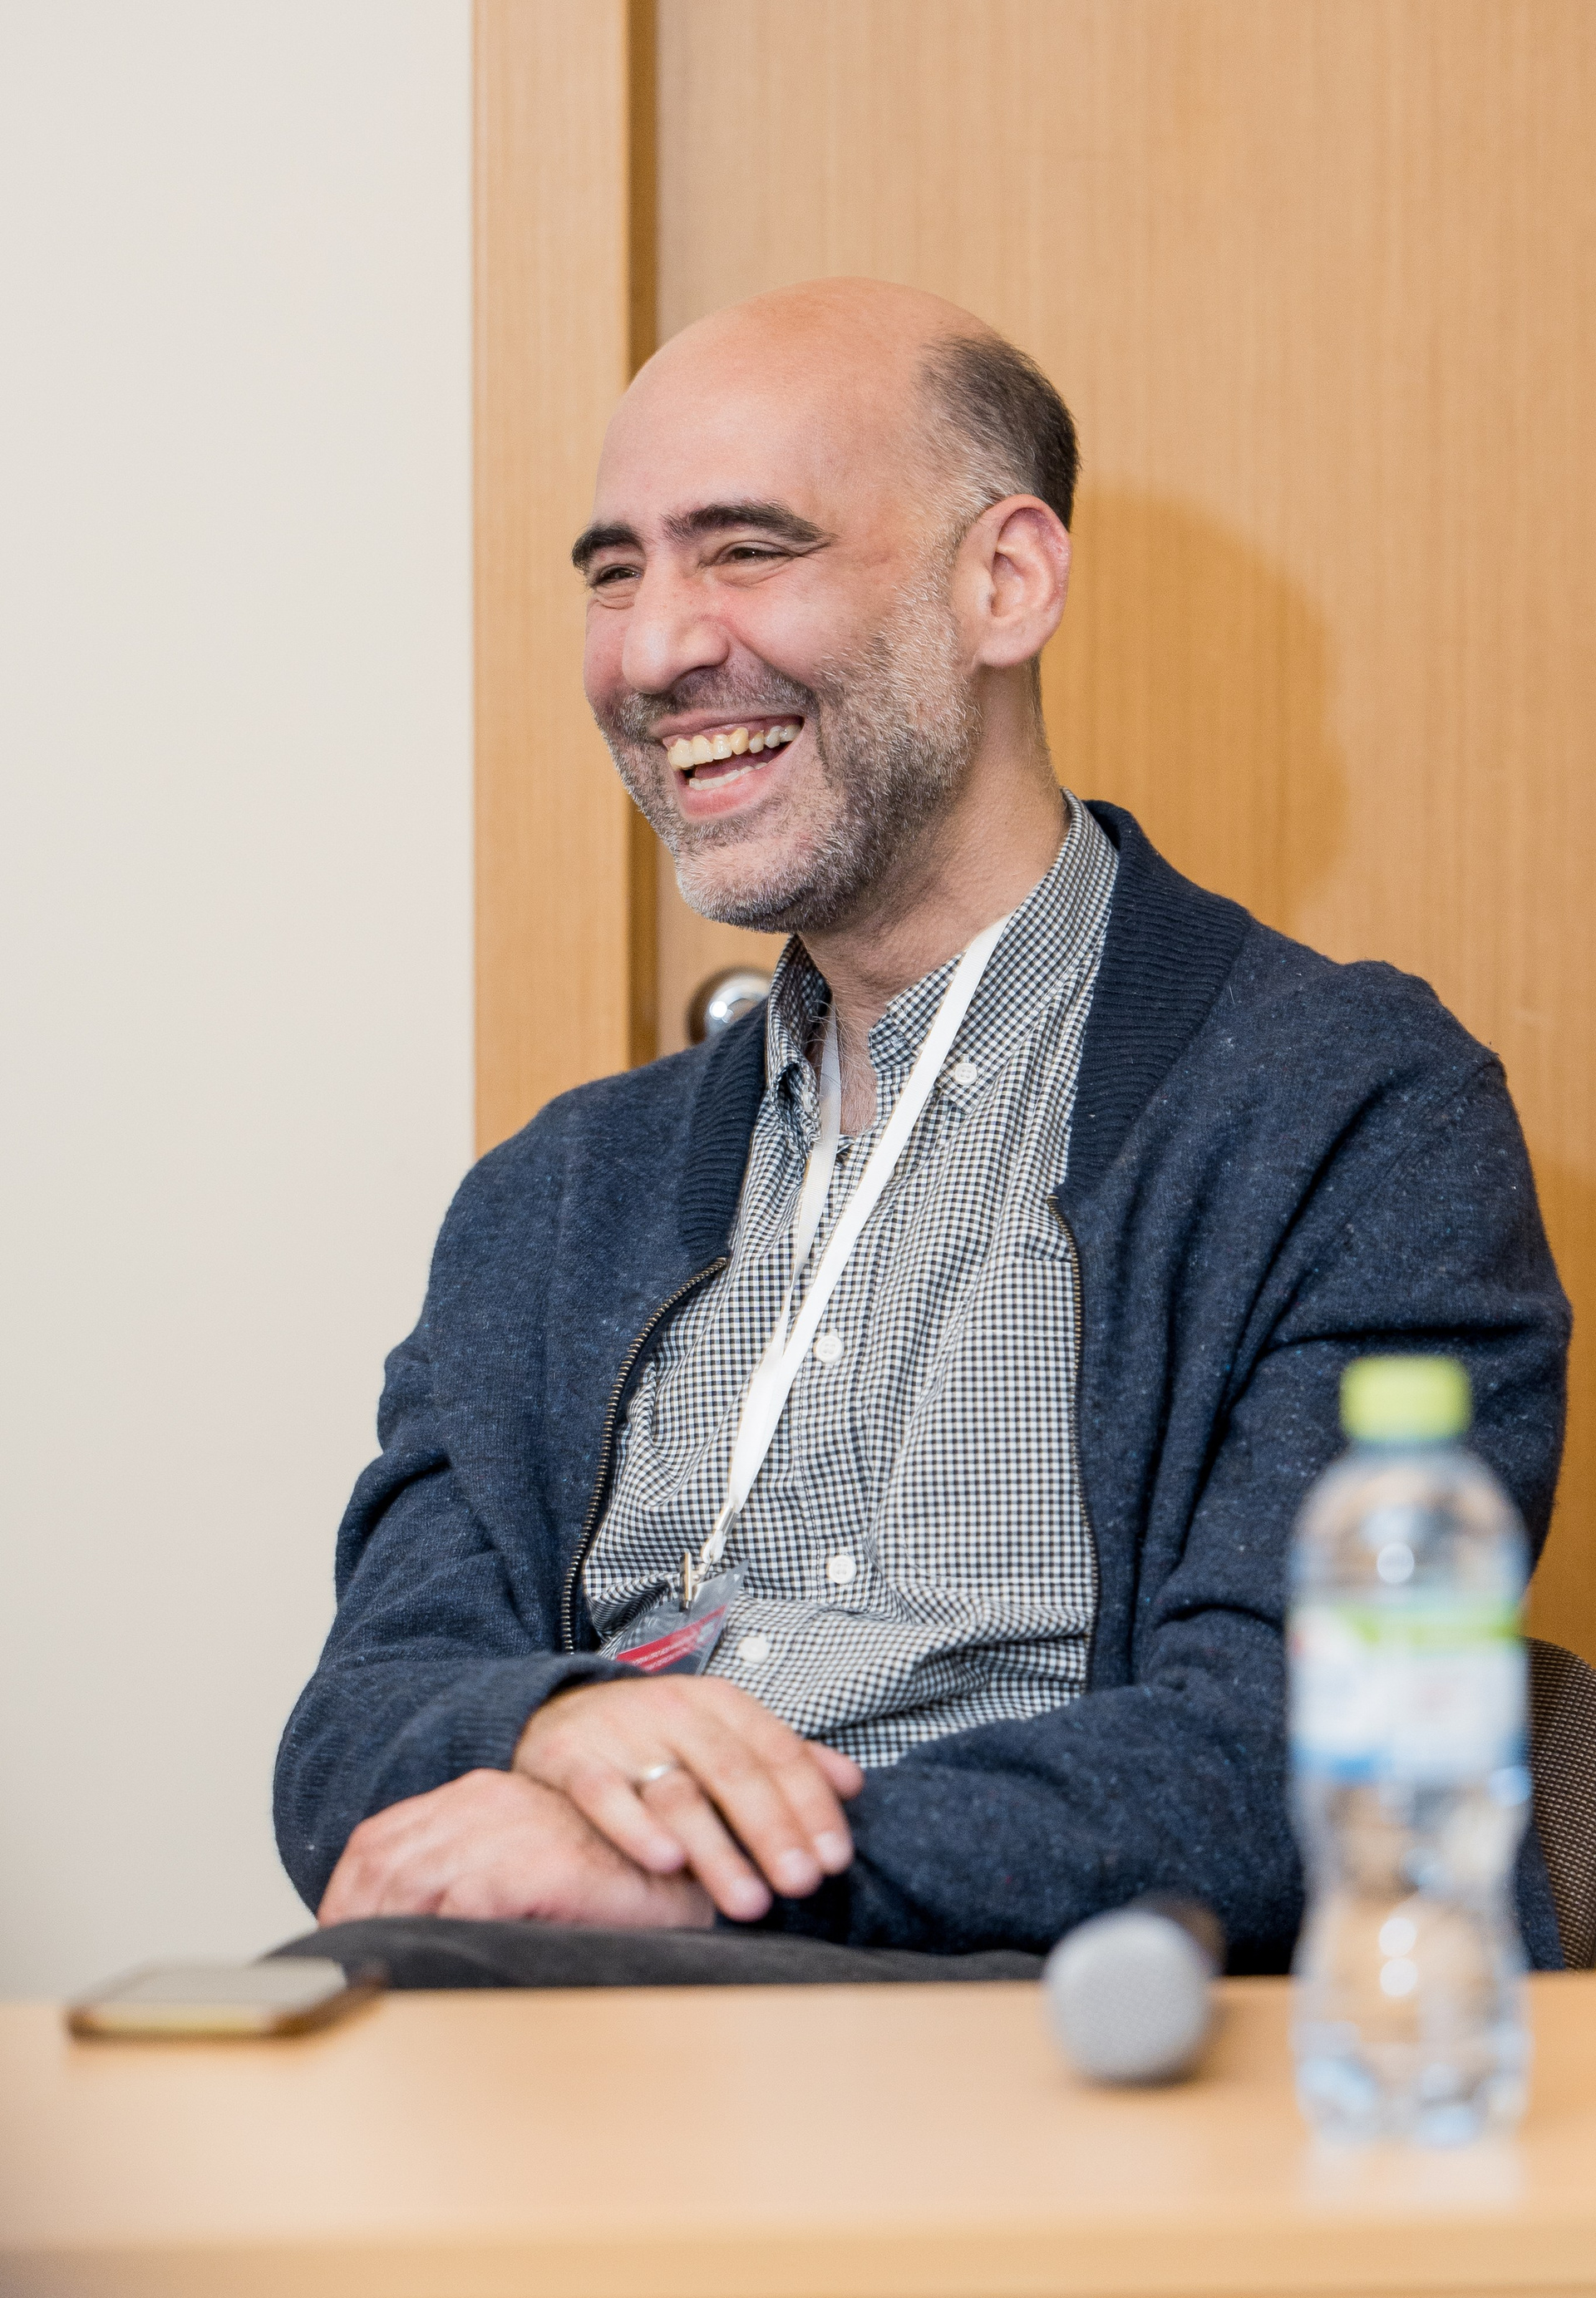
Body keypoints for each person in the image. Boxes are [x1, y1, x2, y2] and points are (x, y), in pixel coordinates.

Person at [274, 279, 1570, 1980]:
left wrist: (707, 1875)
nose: (654, 651)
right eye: (616, 572)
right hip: (555, 2030)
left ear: (1004, 581)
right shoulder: (555, 1193)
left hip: (1040, 2034)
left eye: (746, 550)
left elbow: (1308, 1743)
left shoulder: (1352, 1112)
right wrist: (548, 1726)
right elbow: (358, 1724)